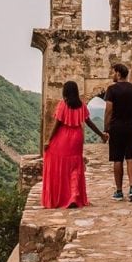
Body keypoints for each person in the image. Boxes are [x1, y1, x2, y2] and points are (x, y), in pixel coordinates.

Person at [42, 81, 108, 209]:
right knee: (75, 168)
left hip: (63, 138)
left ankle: (63, 196)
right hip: (77, 138)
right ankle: (74, 196)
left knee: (59, 165)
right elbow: (89, 123)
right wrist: (101, 134)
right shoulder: (82, 106)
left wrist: (48, 140)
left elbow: (57, 124)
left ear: (65, 92)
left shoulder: (63, 105)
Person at [103, 62, 132, 202]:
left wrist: (106, 129)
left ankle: (119, 191)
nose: (112, 75)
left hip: (117, 127)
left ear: (118, 73)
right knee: (131, 157)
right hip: (131, 126)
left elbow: (109, 110)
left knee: (117, 159)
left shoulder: (111, 90)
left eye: (113, 72)